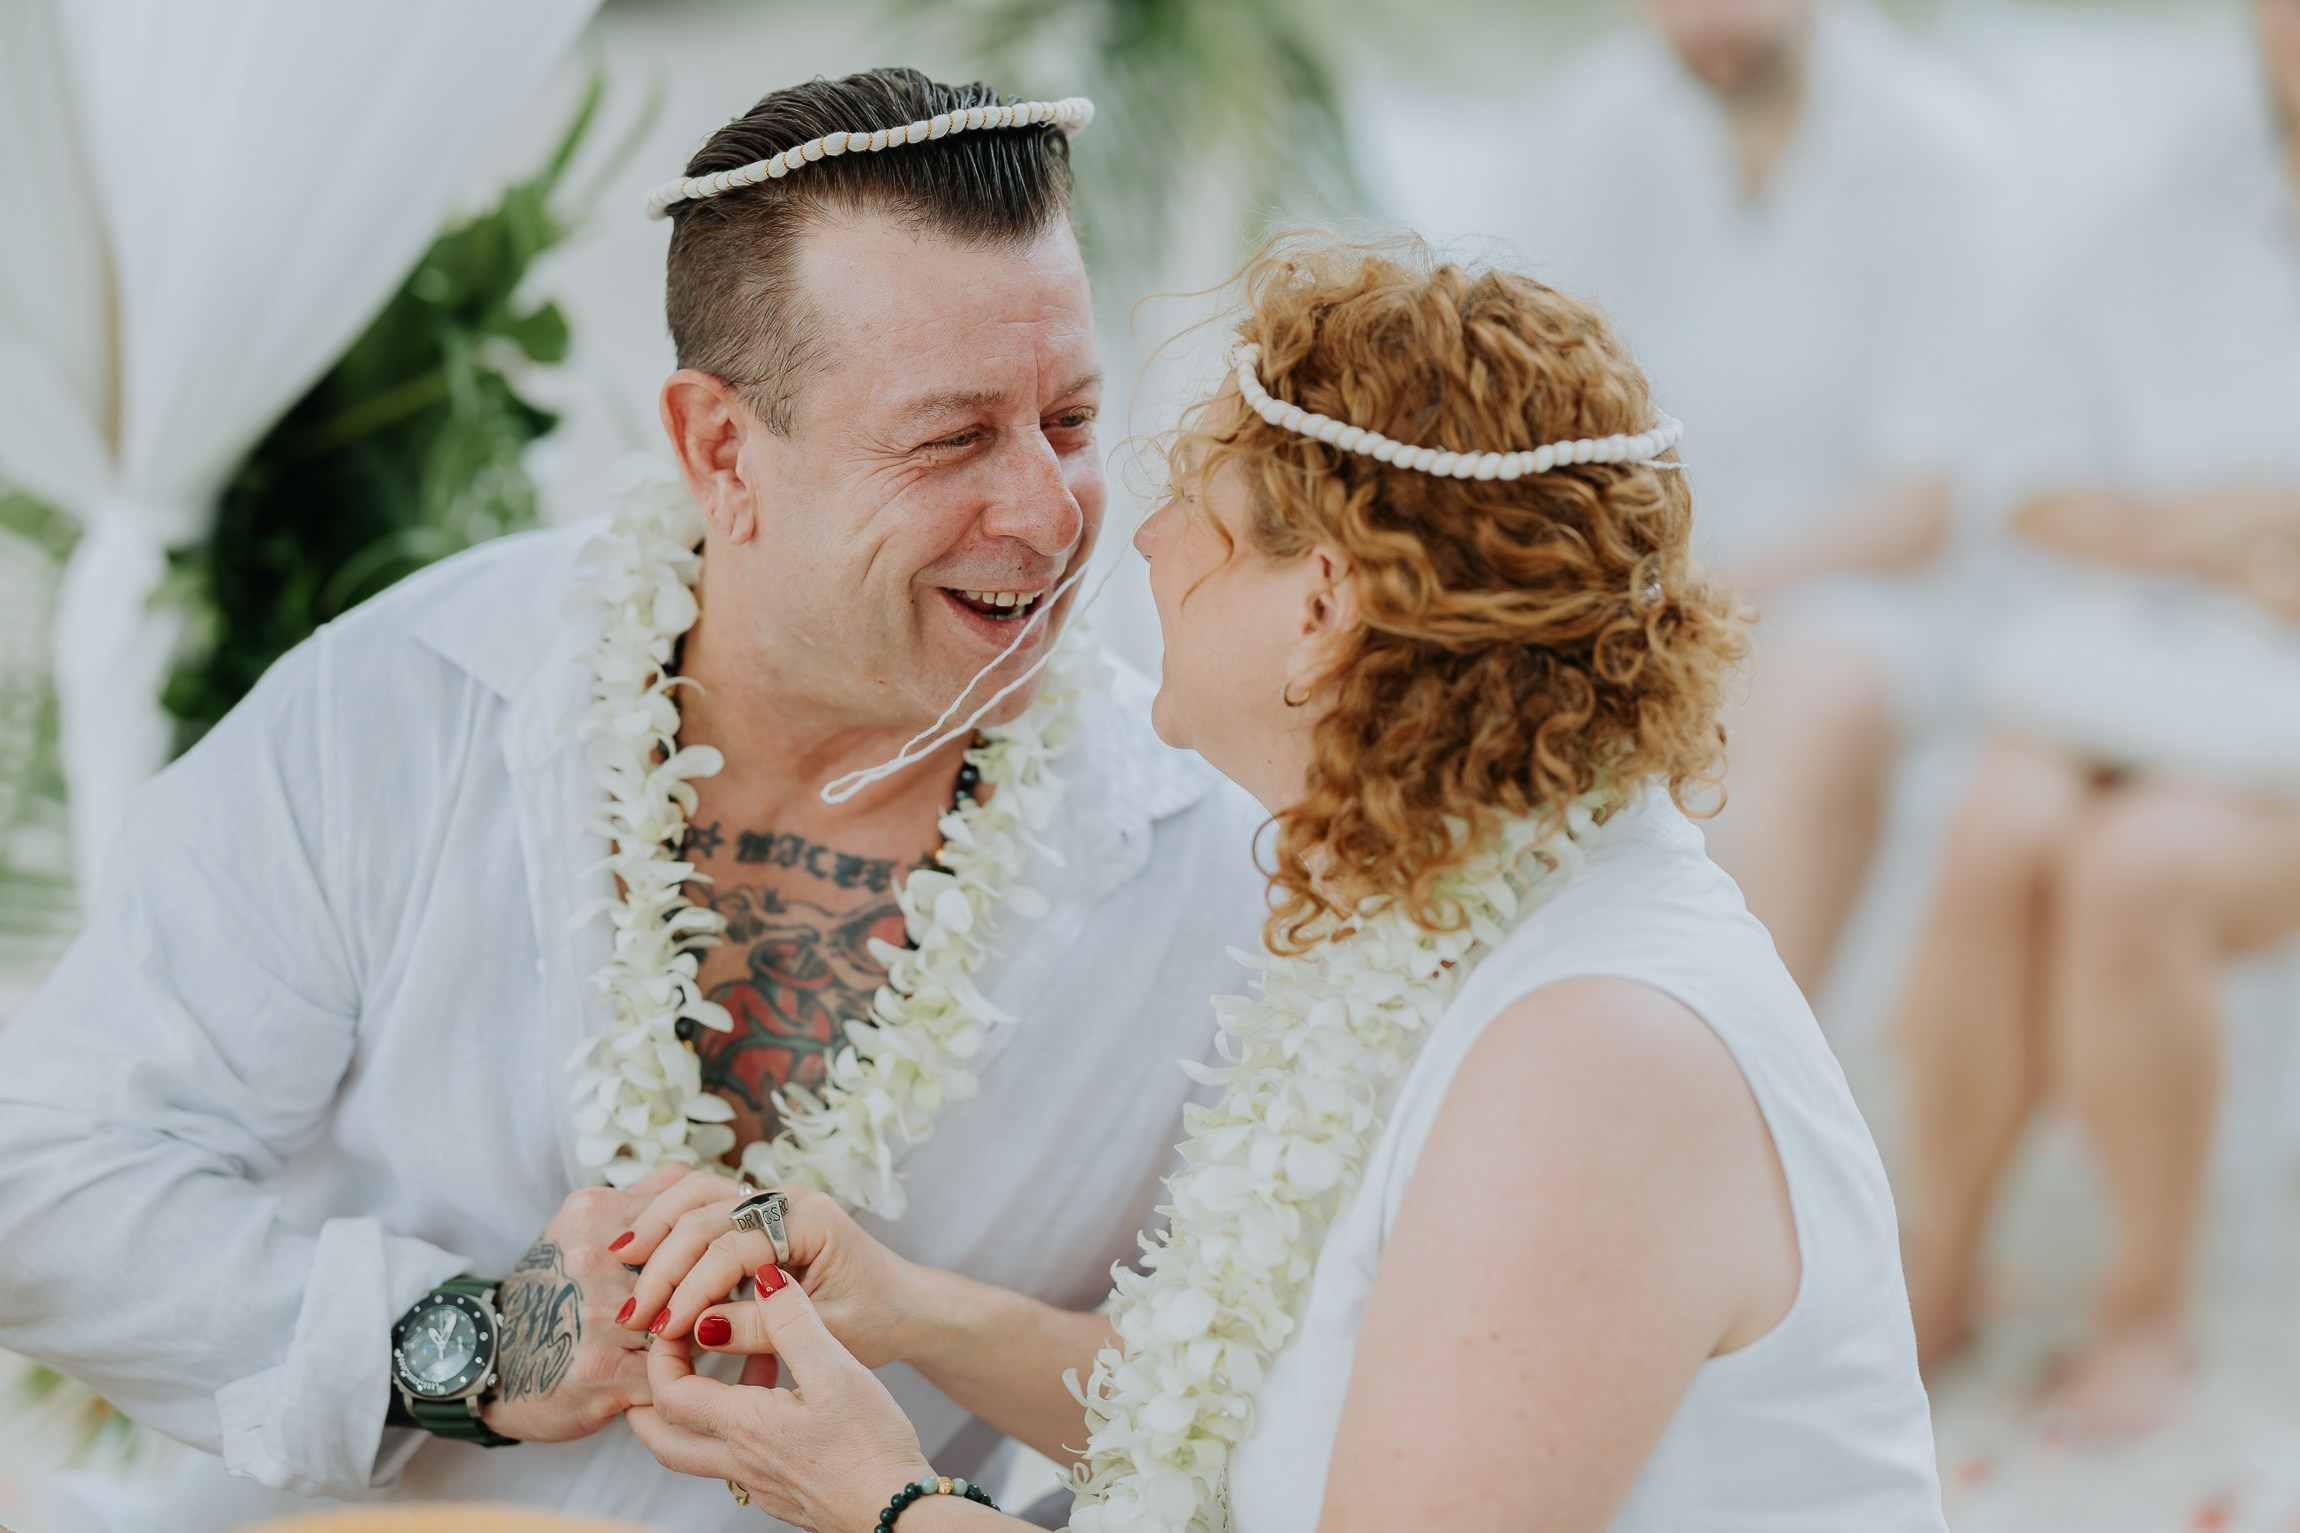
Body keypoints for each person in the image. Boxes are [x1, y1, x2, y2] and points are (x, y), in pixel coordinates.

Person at [0, 69, 1270, 1532]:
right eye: (950, 439)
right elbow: (45, 1175)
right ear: (721, 448)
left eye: (1071, 419)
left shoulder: (1220, 862)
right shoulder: (404, 706)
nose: (1049, 513)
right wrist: (471, 1345)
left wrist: (931, 1334)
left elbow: (1274, 1414)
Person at [607, 235, 1948, 1532]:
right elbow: (1237, 1431)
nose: (1142, 541)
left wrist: (880, 1498)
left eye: (1200, 504)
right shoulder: (1437, 921)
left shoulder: (1594, 1057)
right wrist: (909, 1308)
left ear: (1319, 608)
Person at [1896, 0, 2300, 1438]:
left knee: (2139, 872)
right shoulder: (2162, 210)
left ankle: (2144, 1304)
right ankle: (1940, 1260)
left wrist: (2226, 543)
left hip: (2272, 722)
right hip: (2126, 663)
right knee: (1999, 832)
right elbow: (2026, 479)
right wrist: (2213, 531)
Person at [1501, 0, 2012, 995]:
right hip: (1634, 570)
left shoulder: (1937, 146)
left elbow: (1925, 502)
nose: (1707, 22)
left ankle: (1750, 1040)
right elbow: (1532, 414)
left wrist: (1701, 591)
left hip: (1869, 589)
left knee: (1818, 696)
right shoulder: (1585, 126)